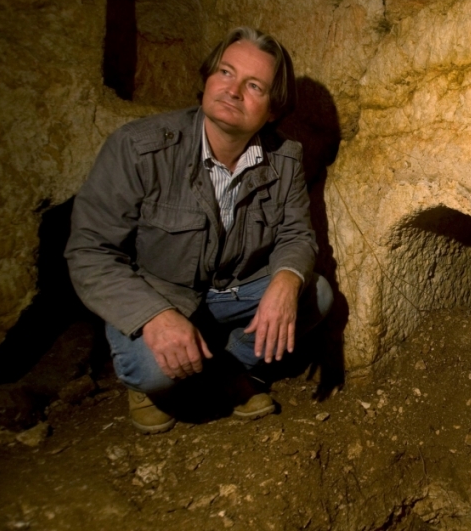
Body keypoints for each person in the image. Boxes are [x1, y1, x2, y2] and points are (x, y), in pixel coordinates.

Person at [65, 26, 333, 434]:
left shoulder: (285, 160)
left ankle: (230, 367)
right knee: (154, 371)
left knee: (315, 294)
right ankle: (148, 384)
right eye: (225, 73)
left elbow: (295, 235)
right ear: (208, 79)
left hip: (235, 291)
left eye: (254, 85)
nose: (233, 90)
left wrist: (285, 279)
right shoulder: (139, 148)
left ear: (274, 109)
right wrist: (154, 316)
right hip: (161, 293)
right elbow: (89, 251)